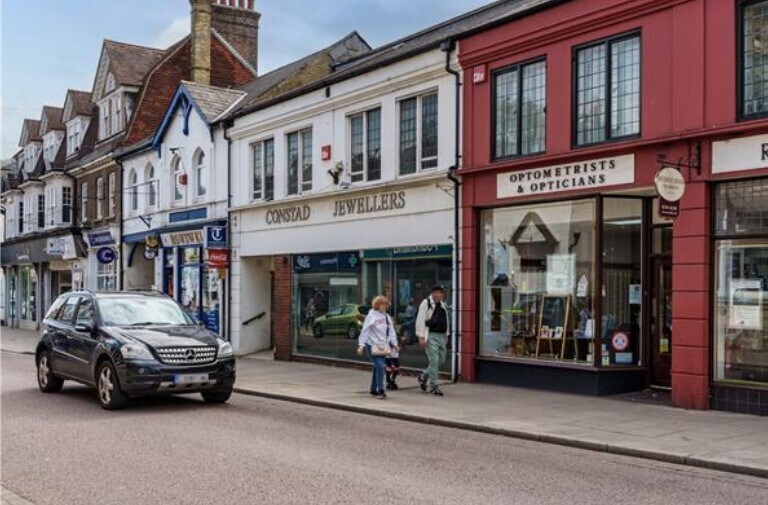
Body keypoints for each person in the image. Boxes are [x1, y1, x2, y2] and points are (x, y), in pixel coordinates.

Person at [357, 296, 398, 399]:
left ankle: (373, 389)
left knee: (377, 367)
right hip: (371, 345)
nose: (385, 307)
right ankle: (381, 390)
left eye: (386, 305)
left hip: (383, 346)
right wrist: (361, 345)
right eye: (383, 304)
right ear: (378, 305)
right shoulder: (371, 316)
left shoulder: (387, 317)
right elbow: (365, 331)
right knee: (381, 366)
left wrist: (395, 343)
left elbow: (391, 331)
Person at [415, 285, 450, 396]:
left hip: (441, 335)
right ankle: (434, 386)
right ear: (433, 293)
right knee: (434, 360)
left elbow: (446, 320)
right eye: (436, 292)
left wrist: (446, 335)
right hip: (430, 335)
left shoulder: (443, 304)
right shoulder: (426, 303)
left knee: (441, 360)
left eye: (441, 293)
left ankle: (424, 376)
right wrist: (421, 336)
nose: (439, 295)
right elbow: (420, 319)